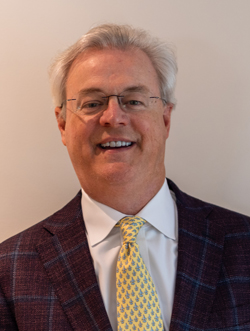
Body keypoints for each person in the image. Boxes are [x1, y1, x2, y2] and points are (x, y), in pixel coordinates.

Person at [0, 24, 250, 331]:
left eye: (133, 100)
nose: (113, 117)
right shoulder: (9, 270)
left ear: (166, 119)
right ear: (63, 125)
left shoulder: (244, 244)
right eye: (92, 103)